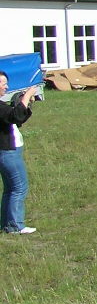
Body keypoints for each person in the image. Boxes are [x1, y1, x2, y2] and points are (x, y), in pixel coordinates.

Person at [0, 69, 38, 235]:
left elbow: (17, 118)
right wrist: (26, 96)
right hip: (7, 153)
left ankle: (8, 224)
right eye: (3, 84)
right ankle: (15, 225)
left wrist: (25, 105)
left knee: (10, 189)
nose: (5, 87)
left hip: (8, 152)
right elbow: (14, 116)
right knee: (19, 187)